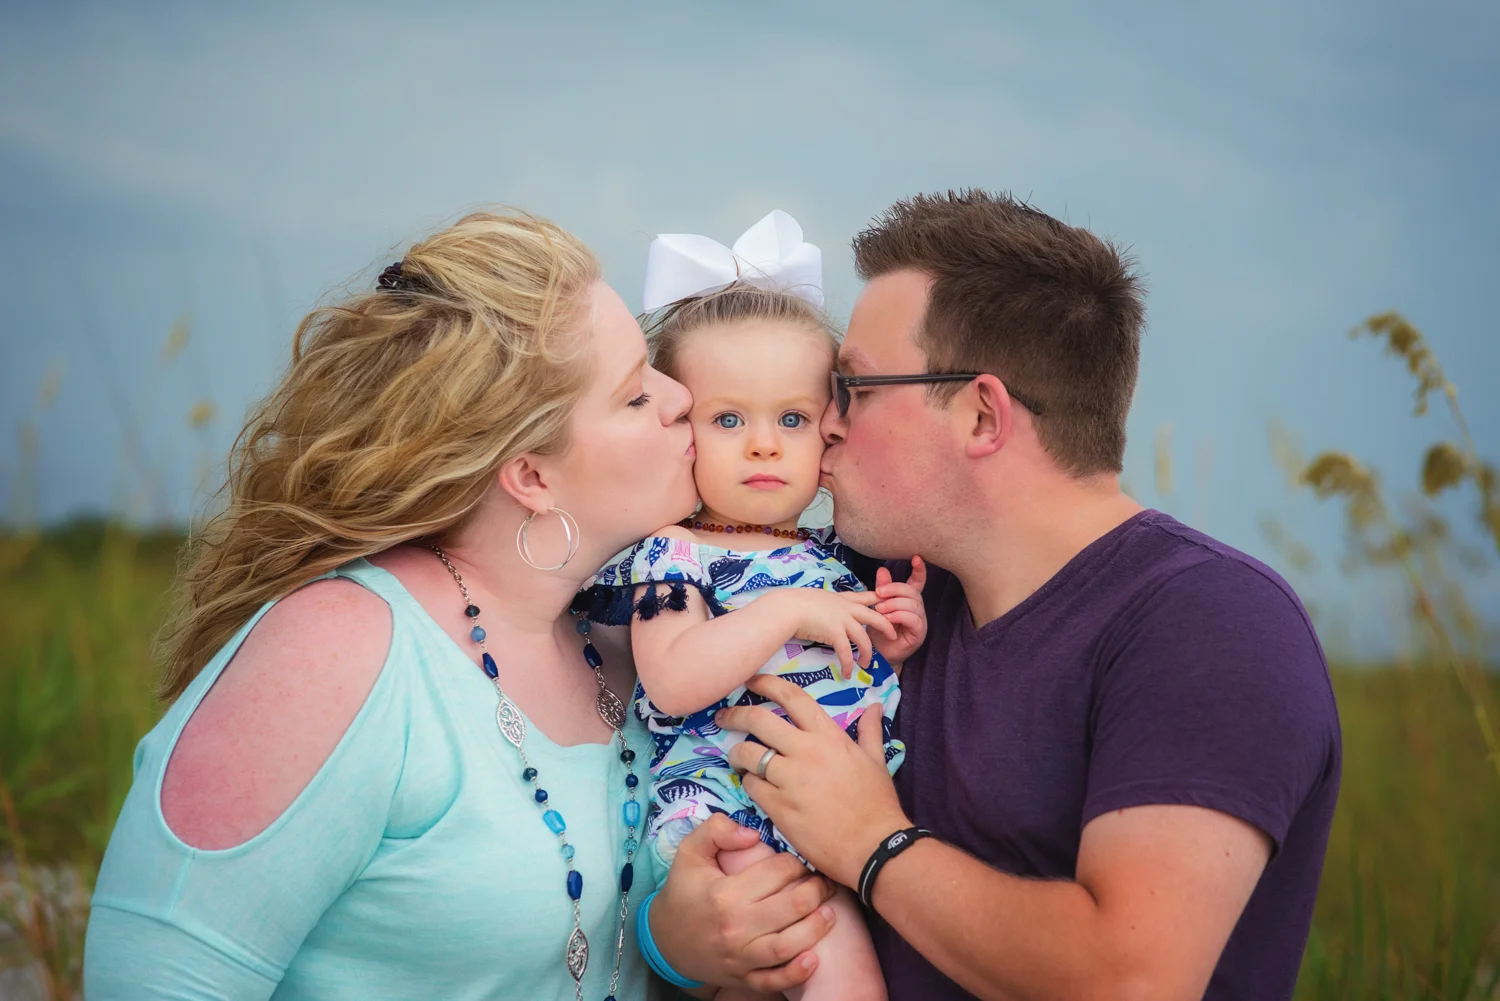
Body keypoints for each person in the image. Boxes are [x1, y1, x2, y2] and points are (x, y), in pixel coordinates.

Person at [81, 210, 835, 1000]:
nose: (683, 395)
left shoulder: (629, 635)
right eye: (634, 395)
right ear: (532, 477)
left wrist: (677, 947)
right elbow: (154, 978)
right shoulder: (339, 650)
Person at [665, 191, 1342, 1001]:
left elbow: (1131, 978)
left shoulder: (1211, 625)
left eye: (856, 390)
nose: (827, 427)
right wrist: (676, 941)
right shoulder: (871, 590)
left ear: (982, 413)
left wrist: (872, 841)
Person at [578, 212, 928, 1001]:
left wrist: (891, 638)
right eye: (729, 418)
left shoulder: (827, 555)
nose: (764, 444)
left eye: (792, 419)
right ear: (682, 428)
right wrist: (785, 614)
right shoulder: (675, 554)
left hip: (827, 817)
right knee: (830, 973)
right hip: (723, 812)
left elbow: (839, 657)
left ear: (829, 434)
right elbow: (670, 678)